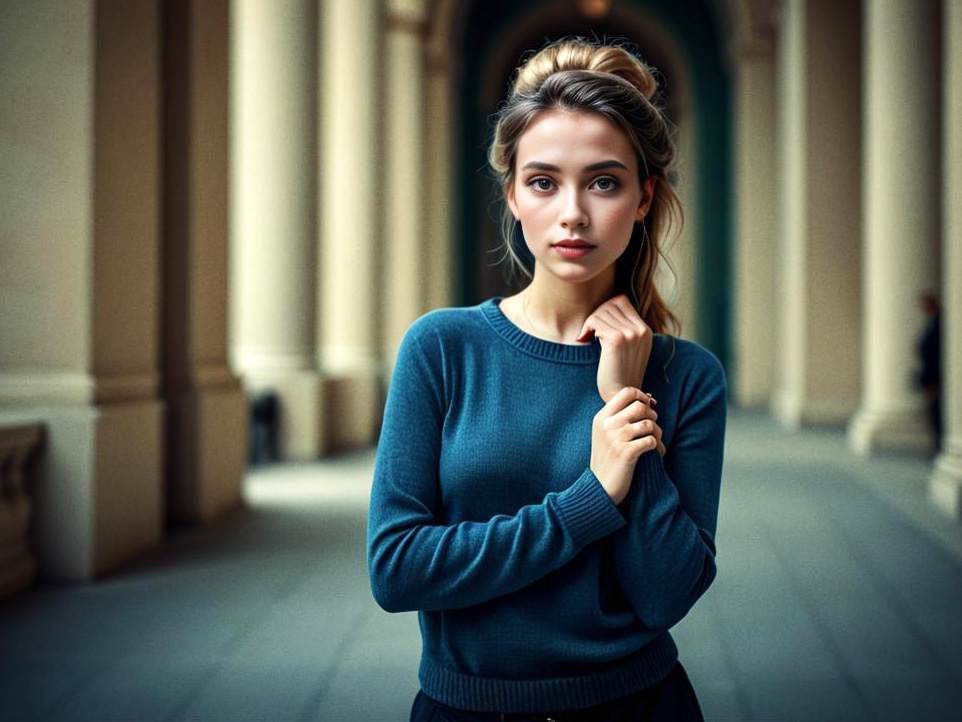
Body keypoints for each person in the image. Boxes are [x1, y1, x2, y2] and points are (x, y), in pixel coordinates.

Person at [367, 37, 727, 722]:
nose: (572, 213)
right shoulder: (444, 348)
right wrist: (589, 501)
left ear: (645, 197)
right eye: (543, 182)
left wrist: (626, 402)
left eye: (603, 181)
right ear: (511, 195)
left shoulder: (688, 377)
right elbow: (398, 569)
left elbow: (667, 595)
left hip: (639, 707)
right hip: (464, 710)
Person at [918, 292, 942, 453]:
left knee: (937, 410)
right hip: (930, 375)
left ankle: (940, 443)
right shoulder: (932, 322)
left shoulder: (939, 324)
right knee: (933, 411)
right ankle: (937, 441)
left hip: (936, 376)